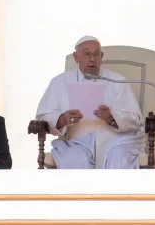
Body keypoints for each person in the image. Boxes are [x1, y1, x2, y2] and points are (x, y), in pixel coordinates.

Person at [35, 35, 145, 169]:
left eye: (96, 54)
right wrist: (62, 119)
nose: (92, 59)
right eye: (87, 54)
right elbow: (43, 117)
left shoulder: (118, 81)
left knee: (118, 156)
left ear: (101, 56)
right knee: (75, 159)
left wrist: (112, 118)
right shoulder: (59, 82)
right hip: (76, 142)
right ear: (76, 57)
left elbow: (135, 120)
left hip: (115, 141)